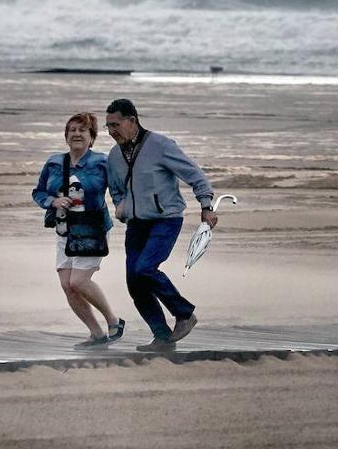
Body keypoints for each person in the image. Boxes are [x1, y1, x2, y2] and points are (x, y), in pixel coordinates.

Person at [104, 98, 217, 352]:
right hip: (136, 224)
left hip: (166, 219)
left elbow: (193, 173)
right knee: (134, 281)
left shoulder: (160, 145)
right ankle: (162, 336)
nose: (111, 131)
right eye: (108, 126)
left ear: (132, 121)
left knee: (145, 268)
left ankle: (184, 313)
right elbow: (116, 189)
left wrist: (206, 205)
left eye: (116, 124)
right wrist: (121, 205)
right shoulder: (113, 156)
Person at [32, 112, 125, 348]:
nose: (76, 134)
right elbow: (39, 192)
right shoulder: (54, 162)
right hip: (64, 230)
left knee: (79, 281)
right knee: (67, 285)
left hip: (92, 229)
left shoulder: (102, 162)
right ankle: (96, 334)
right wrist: (52, 201)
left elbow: (118, 191)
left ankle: (114, 321)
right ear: (66, 136)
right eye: (72, 130)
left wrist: (124, 209)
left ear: (91, 137)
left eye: (82, 130)